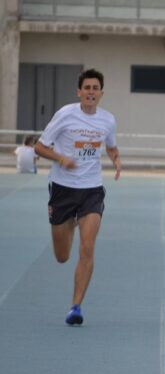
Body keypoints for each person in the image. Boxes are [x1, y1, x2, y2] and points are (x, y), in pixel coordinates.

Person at [33, 68, 121, 326]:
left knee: (88, 246)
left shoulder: (108, 120)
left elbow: (112, 147)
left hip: (91, 189)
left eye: (96, 88)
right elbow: (39, 146)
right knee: (62, 256)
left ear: (101, 94)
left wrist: (116, 160)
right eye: (87, 88)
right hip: (62, 188)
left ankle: (75, 307)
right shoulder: (65, 115)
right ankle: (70, 221)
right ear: (79, 92)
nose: (91, 92)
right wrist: (61, 158)